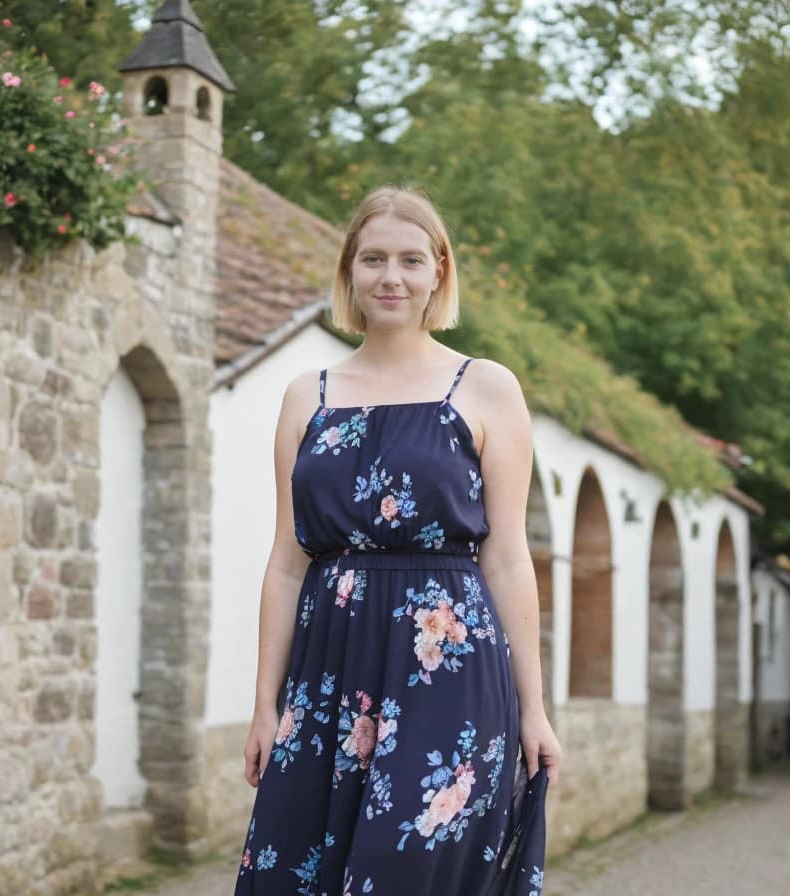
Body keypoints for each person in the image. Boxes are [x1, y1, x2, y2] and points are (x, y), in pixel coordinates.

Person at [235, 185, 561, 895]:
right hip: (328, 672)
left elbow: (506, 557)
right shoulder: (306, 395)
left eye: (411, 260)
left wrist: (534, 710)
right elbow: (288, 563)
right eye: (373, 259)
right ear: (349, 271)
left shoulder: (486, 388)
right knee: (302, 869)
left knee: (407, 863)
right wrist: (265, 706)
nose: (391, 277)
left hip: (446, 669)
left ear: (438, 272)